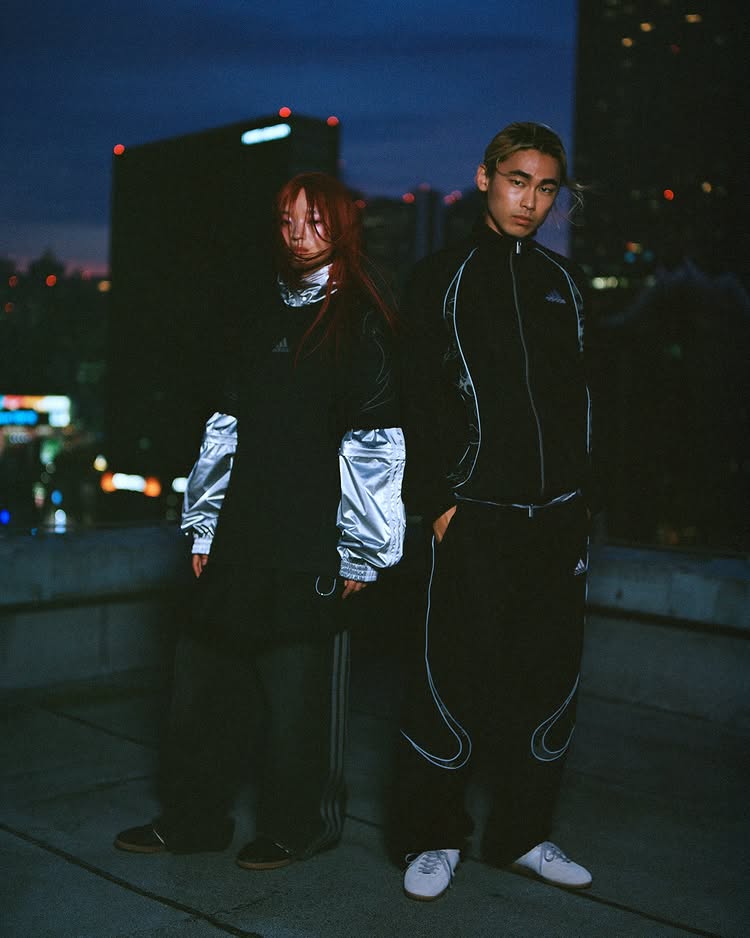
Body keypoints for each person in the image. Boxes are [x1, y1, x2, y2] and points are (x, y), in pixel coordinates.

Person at [114, 171, 405, 870]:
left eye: (315, 220)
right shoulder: (256, 309)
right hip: (241, 535)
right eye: (286, 220)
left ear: (343, 226)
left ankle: (301, 825)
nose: (299, 234)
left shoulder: (361, 319)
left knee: (297, 700)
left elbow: (374, 442)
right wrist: (205, 525)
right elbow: (225, 425)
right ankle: (192, 820)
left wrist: (363, 550)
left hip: (311, 543)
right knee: (201, 688)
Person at [393, 122, 595, 900]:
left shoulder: (565, 283)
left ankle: (523, 836)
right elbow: (415, 396)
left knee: (545, 684)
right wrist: (438, 503)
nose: (530, 201)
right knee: (451, 682)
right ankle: (432, 836)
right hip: (473, 517)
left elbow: (586, 401)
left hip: (557, 523)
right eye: (517, 181)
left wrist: (585, 505)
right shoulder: (440, 277)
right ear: (484, 178)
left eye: (546, 188)